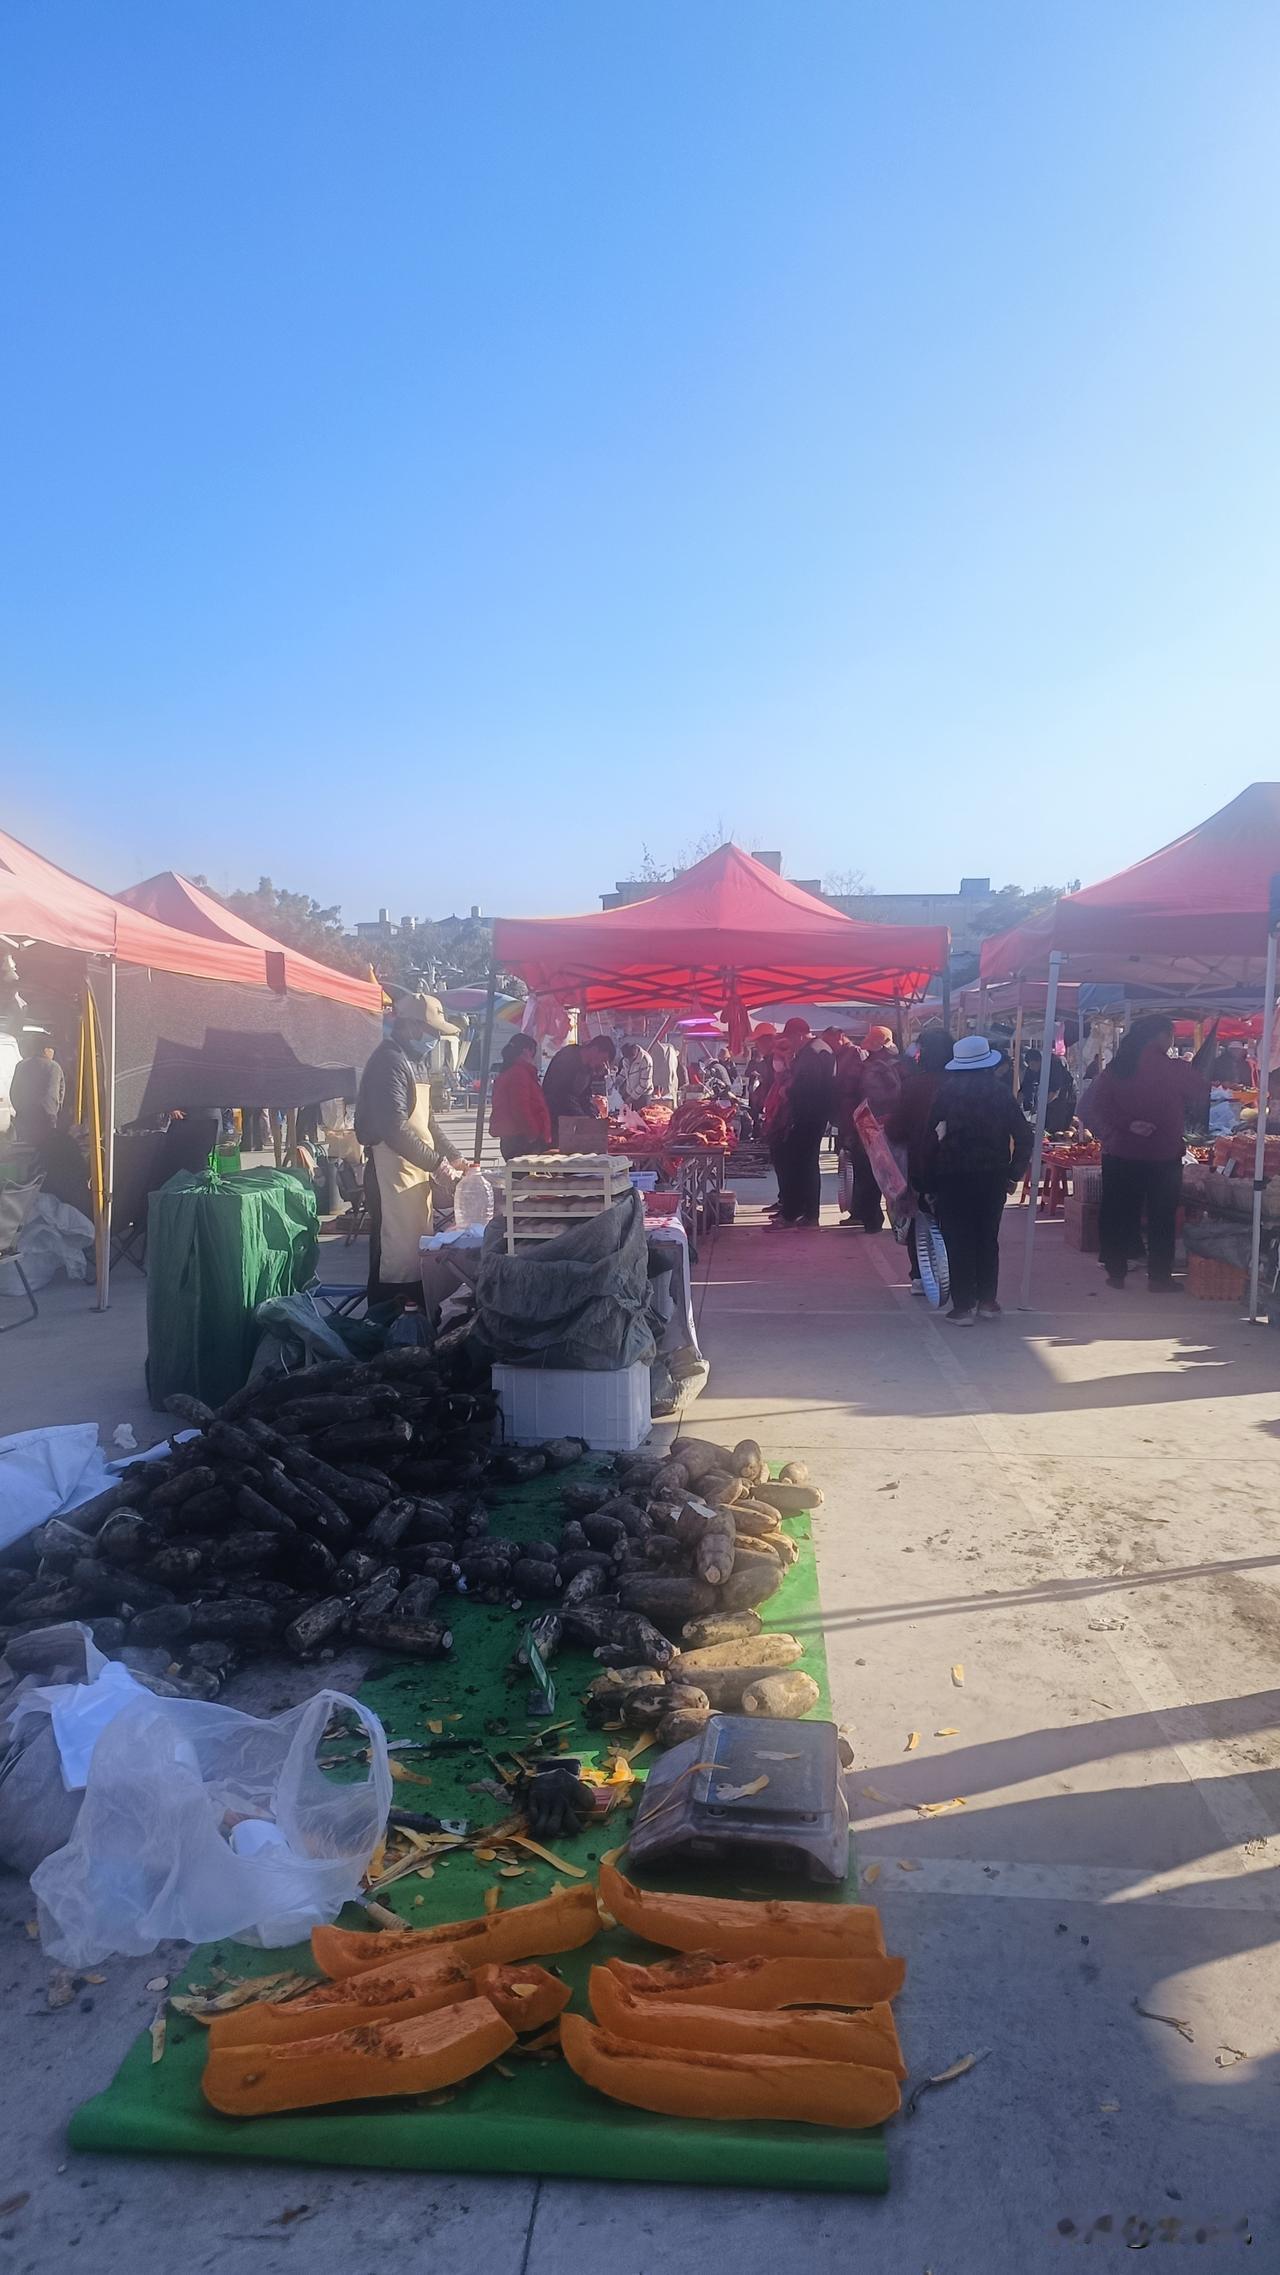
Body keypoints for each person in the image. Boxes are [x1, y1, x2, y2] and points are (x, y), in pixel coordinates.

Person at [1088, 1014, 1210, 1291]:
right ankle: (1159, 1277)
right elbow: (1201, 1091)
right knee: (1161, 1218)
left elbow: (1098, 1108)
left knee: (1117, 1212)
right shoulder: (1174, 1069)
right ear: (1161, 1036)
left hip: (1120, 1153)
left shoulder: (1116, 1068)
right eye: (1171, 1036)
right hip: (1163, 1156)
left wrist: (1127, 1124)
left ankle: (1116, 1272)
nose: (1172, 1042)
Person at [354, 994, 463, 1305]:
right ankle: (385, 1320)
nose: (435, 1038)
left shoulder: (415, 1063)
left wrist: (454, 1156)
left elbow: (427, 1123)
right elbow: (394, 1129)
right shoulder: (388, 1062)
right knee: (394, 1259)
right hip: (389, 1174)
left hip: (413, 1172)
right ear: (413, 1026)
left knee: (414, 1256)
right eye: (433, 1031)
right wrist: (438, 1165)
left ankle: (411, 1319)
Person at [925, 1034, 1033, 1322]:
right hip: (993, 1175)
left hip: (952, 1175)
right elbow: (1024, 1137)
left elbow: (929, 1136)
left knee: (958, 1238)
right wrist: (1014, 1173)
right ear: (987, 1063)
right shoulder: (1000, 1093)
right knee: (987, 1237)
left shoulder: (946, 1093)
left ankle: (963, 1306)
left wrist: (927, 1178)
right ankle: (987, 1300)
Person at [886, 1026, 954, 1291]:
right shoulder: (959, 1083)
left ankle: (920, 1275)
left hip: (922, 1162)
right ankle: (954, 1274)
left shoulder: (914, 1085)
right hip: (957, 1162)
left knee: (921, 1216)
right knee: (953, 1218)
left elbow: (896, 1128)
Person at [837, 1025, 901, 1231]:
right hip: (892, 1124)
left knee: (867, 1172)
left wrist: (848, 1127)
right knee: (893, 1173)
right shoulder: (902, 1066)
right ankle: (895, 1220)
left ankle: (871, 1219)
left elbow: (849, 1095)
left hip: (867, 1124)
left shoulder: (864, 1068)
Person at [770, 1035, 835, 1227]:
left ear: (797, 1034)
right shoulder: (814, 1050)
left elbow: (808, 1087)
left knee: (801, 1164)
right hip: (813, 1116)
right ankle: (804, 1212)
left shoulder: (812, 1053)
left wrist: (788, 1092)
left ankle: (798, 1213)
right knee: (805, 1165)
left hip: (807, 1116)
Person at [488, 1034, 552, 1161]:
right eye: (533, 1053)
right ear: (526, 1051)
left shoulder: (511, 1071)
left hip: (514, 1137)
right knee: (525, 1173)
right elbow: (520, 1107)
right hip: (521, 1139)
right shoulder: (519, 1073)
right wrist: (533, 1134)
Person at [541, 1033, 616, 1133]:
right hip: (555, 1119)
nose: (601, 1064)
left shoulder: (588, 1068)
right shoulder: (567, 1057)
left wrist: (592, 1117)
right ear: (594, 1050)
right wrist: (582, 1118)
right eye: (602, 1059)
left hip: (572, 1120)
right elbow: (563, 1094)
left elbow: (585, 1096)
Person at [10, 1032, 64, 1147]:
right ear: (45, 1050)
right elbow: (55, 1093)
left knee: (24, 1148)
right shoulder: (53, 1067)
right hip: (46, 1118)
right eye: (52, 1049)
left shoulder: (21, 1065)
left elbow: (14, 1091)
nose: (53, 1052)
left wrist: (20, 1108)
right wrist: (53, 1112)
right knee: (45, 1148)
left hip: (24, 1115)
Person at [1019, 1048, 1077, 1135]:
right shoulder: (1031, 1069)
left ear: (1040, 1061)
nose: (1031, 1068)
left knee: (1058, 1127)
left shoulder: (1054, 1064)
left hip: (1066, 1095)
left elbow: (1055, 1092)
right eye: (1029, 1065)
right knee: (1046, 1125)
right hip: (1049, 1095)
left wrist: (1038, 1107)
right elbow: (1024, 1088)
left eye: (1033, 1065)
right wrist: (1015, 1106)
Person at [618, 1039, 655, 1108]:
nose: (629, 1060)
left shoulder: (646, 1061)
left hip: (643, 1096)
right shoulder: (626, 1058)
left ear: (636, 1051)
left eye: (631, 1058)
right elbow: (624, 1071)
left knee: (641, 1114)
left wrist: (631, 1098)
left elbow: (644, 1085)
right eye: (627, 1058)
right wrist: (616, 1082)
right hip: (630, 1092)